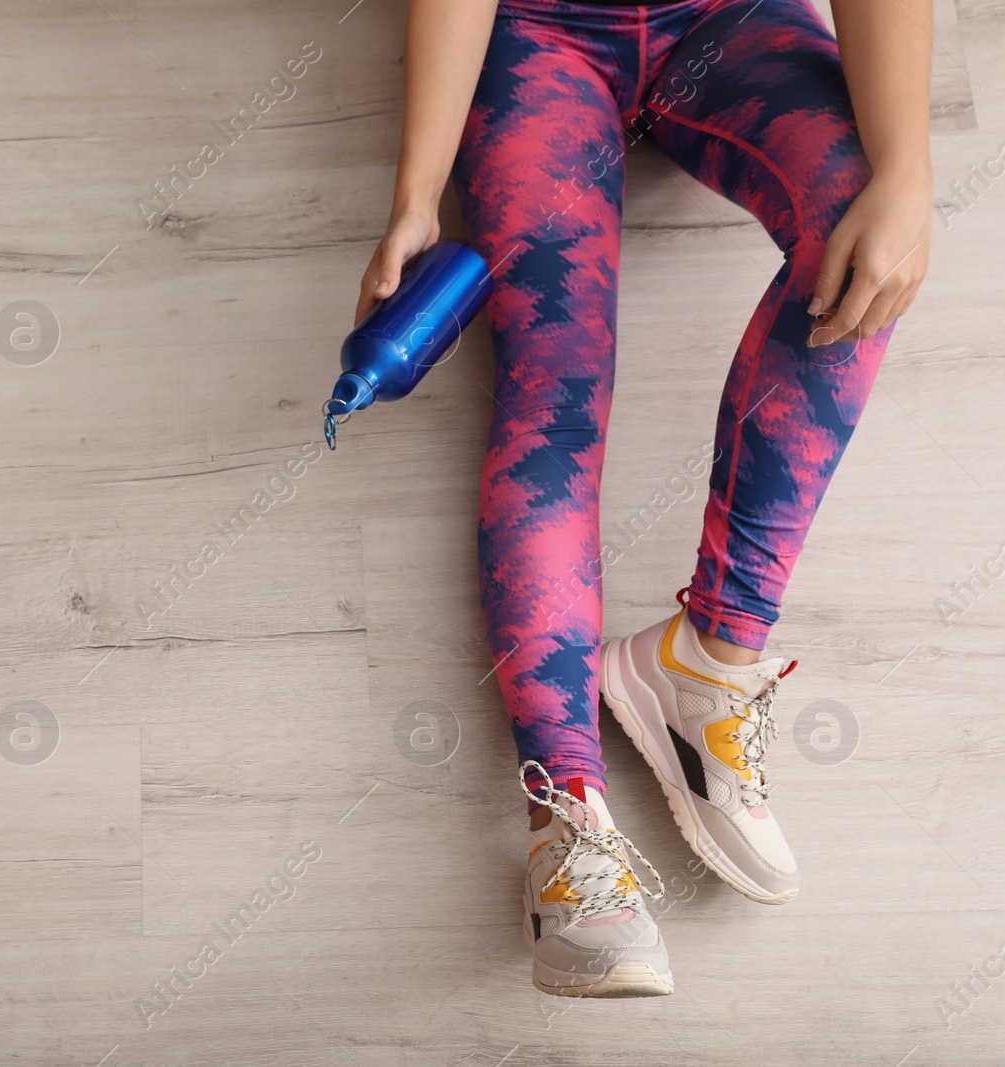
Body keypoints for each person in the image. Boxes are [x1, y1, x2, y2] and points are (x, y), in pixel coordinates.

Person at [355, 0, 931, 996]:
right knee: (554, 386)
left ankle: (710, 654)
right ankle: (566, 822)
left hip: (729, 17)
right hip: (535, 36)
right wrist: (416, 191)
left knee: (864, 230)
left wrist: (909, 171)